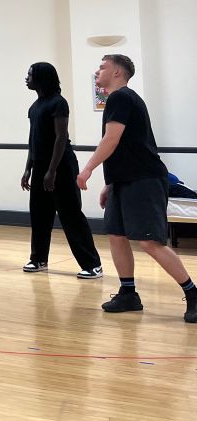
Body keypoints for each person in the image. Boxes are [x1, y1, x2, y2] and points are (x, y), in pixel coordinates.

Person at [77, 54, 196, 323]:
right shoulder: (119, 99)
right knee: (116, 235)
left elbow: (112, 139)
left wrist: (87, 169)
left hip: (144, 179)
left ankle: (193, 294)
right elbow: (126, 145)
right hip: (124, 180)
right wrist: (111, 182)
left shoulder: (121, 97)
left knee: (150, 242)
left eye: (103, 67)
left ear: (117, 73)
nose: (98, 70)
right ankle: (128, 293)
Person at [21, 63, 102, 277]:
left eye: (29, 74)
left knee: (70, 214)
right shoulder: (35, 106)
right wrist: (28, 168)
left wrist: (52, 171)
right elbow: (33, 140)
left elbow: (60, 138)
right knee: (39, 215)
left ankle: (92, 264)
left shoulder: (59, 103)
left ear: (41, 77)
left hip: (61, 166)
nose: (26, 78)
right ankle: (38, 259)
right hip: (40, 166)